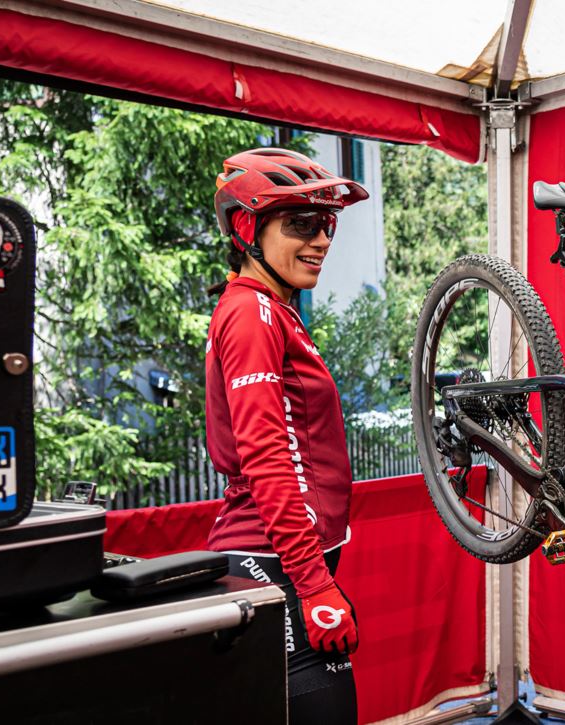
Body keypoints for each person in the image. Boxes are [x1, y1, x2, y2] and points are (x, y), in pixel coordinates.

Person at [205, 147, 367, 724]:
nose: (322, 240)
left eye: (326, 224)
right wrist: (313, 585)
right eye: (300, 223)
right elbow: (267, 457)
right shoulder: (252, 314)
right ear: (248, 227)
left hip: (286, 556)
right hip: (271, 557)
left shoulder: (271, 310)